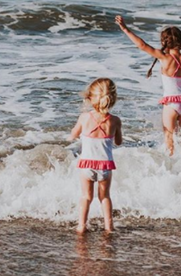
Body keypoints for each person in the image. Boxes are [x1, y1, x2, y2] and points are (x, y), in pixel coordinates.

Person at [116, 16, 181, 156]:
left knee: (169, 139)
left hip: (171, 104)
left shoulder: (166, 58)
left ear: (164, 42)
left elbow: (142, 45)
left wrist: (125, 29)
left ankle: (171, 168)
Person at [70, 78, 122, 234]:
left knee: (86, 196)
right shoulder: (115, 120)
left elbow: (73, 134)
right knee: (105, 197)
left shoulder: (84, 117)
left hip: (86, 164)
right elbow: (118, 142)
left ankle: (81, 226)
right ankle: (109, 226)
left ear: (91, 98)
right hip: (105, 165)